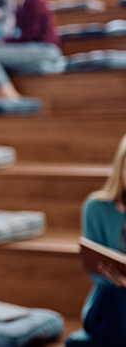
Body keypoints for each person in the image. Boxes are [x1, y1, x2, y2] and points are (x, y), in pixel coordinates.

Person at [80, 133, 126, 344]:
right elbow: (95, 267)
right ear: (120, 169)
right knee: (114, 297)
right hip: (108, 303)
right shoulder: (96, 207)